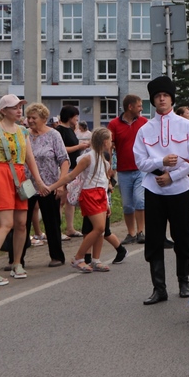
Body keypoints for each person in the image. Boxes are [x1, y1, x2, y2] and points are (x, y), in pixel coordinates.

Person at [133, 76, 189, 305]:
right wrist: (160, 162)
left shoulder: (186, 125)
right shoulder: (144, 129)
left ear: (172, 99)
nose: (162, 99)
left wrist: (172, 175)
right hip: (154, 188)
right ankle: (159, 288)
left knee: (182, 235)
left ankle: (184, 281)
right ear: (153, 100)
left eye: (165, 95)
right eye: (158, 96)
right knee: (154, 238)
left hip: (180, 187)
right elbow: (140, 161)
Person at [0, 95, 50, 285]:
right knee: (6, 224)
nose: (19, 110)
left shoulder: (23, 131)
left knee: (22, 224)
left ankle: (17, 263)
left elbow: (29, 158)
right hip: (0, 175)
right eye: (14, 107)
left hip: (19, 177)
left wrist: (39, 181)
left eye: (19, 106)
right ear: (3, 111)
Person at [47, 128, 115, 273]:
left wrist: (107, 202)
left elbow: (104, 181)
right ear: (104, 141)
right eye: (110, 139)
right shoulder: (87, 158)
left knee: (101, 230)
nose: (111, 142)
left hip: (101, 195)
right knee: (99, 228)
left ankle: (96, 259)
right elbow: (70, 176)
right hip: (90, 194)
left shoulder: (104, 160)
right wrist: (52, 187)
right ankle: (78, 257)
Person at [21, 103, 69, 267]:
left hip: (49, 185)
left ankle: (57, 256)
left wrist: (60, 185)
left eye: (34, 118)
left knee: (52, 222)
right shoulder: (24, 134)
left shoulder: (54, 135)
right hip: (27, 185)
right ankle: (17, 259)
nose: (30, 121)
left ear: (44, 119)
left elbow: (64, 160)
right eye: (28, 118)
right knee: (22, 223)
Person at [109, 95, 149, 245]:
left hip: (141, 169)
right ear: (130, 107)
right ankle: (131, 233)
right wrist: (110, 166)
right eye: (139, 106)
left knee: (140, 200)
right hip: (123, 170)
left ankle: (140, 232)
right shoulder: (114, 124)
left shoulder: (144, 122)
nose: (141, 109)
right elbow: (109, 146)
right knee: (127, 204)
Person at [56, 105, 89, 239]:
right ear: (70, 117)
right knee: (61, 200)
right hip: (65, 168)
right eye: (75, 116)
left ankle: (70, 228)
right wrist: (79, 147)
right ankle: (57, 230)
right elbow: (61, 149)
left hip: (73, 167)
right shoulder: (59, 131)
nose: (77, 119)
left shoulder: (70, 130)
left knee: (70, 199)